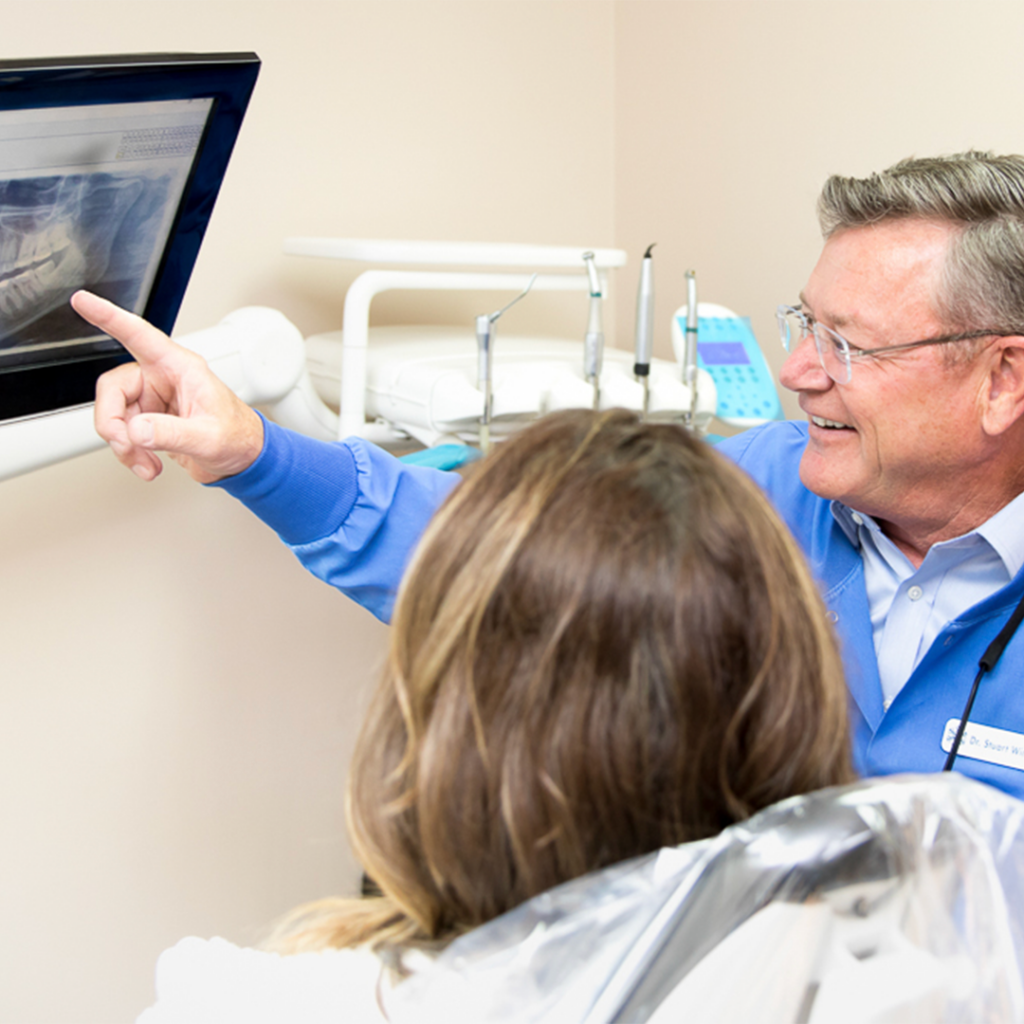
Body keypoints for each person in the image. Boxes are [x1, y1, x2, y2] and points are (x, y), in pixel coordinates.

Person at [74, 150, 1024, 799]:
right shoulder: (767, 490)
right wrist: (254, 453)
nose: (797, 371)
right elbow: (490, 545)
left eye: (847, 345)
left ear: (1001, 379)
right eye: (803, 325)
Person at [136, 408, 853, 1020]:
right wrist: (262, 458)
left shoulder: (242, 1001)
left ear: (456, 715)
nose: (806, 369)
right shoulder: (880, 980)